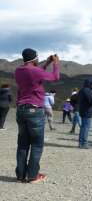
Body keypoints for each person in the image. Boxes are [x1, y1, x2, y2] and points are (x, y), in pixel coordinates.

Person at [14, 48, 60, 183]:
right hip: (34, 110)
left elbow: (37, 72)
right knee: (36, 144)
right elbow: (55, 77)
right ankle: (33, 175)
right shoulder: (34, 71)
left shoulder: (19, 70)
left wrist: (46, 63)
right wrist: (56, 63)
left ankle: (20, 175)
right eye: (38, 58)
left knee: (22, 144)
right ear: (34, 58)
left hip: (21, 110)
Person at [78, 79, 92, 149]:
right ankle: (84, 143)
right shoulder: (87, 91)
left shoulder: (82, 90)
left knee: (83, 127)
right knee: (86, 128)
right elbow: (91, 101)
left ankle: (81, 143)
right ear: (90, 84)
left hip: (83, 110)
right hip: (87, 111)